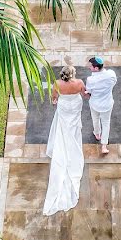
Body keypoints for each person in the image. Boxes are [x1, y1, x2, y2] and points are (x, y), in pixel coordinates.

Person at [43, 60, 86, 216]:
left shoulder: (57, 84)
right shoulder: (79, 82)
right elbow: (83, 93)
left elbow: (54, 98)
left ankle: (64, 142)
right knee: (74, 125)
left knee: (62, 126)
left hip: (64, 107)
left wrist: (56, 101)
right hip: (75, 106)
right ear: (72, 74)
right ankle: (73, 140)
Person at [84, 56, 117, 154]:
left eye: (90, 66)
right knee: (106, 123)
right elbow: (114, 83)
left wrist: (86, 93)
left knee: (95, 119)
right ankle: (104, 146)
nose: (89, 67)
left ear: (96, 68)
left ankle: (97, 134)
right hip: (107, 104)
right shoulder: (111, 74)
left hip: (94, 104)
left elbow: (89, 91)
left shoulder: (90, 79)